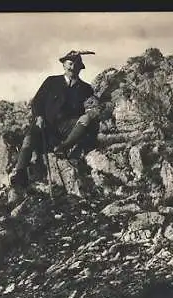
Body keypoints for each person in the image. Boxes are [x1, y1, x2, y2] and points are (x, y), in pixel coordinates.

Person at [8, 50, 103, 205]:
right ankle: (20, 172)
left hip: (68, 127)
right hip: (46, 125)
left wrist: (93, 111)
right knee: (29, 137)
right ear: (64, 65)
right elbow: (37, 101)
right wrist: (39, 116)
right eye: (69, 64)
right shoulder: (51, 81)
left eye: (75, 65)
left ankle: (63, 147)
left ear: (80, 68)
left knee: (86, 120)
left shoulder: (86, 88)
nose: (72, 68)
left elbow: (92, 107)